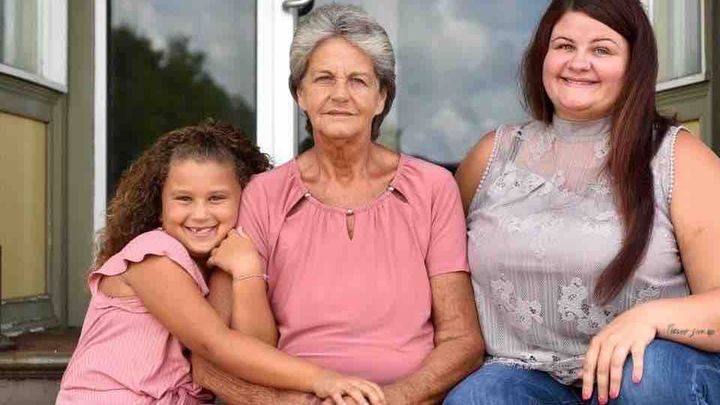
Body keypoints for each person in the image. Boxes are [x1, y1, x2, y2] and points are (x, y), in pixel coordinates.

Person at [191, 4, 485, 404]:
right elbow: (210, 355)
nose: (340, 95)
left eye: (358, 81)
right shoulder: (263, 195)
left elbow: (462, 340)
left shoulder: (432, 189)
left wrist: (389, 400)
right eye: (324, 78)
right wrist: (293, 403)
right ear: (300, 94)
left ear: (381, 98)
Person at [447, 0, 720, 404]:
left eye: (602, 50)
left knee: (644, 374)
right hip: (524, 376)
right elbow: (436, 279)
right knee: (480, 396)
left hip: (650, 379)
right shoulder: (492, 156)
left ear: (634, 66)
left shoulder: (678, 158)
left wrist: (651, 317)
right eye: (564, 46)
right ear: (542, 56)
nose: (578, 63)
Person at [57, 121, 386, 405]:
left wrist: (247, 272)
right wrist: (321, 378)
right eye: (183, 199)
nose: (200, 214)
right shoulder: (152, 256)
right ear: (159, 206)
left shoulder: (223, 261)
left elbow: (257, 348)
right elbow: (214, 344)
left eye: (216, 198)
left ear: (245, 200)